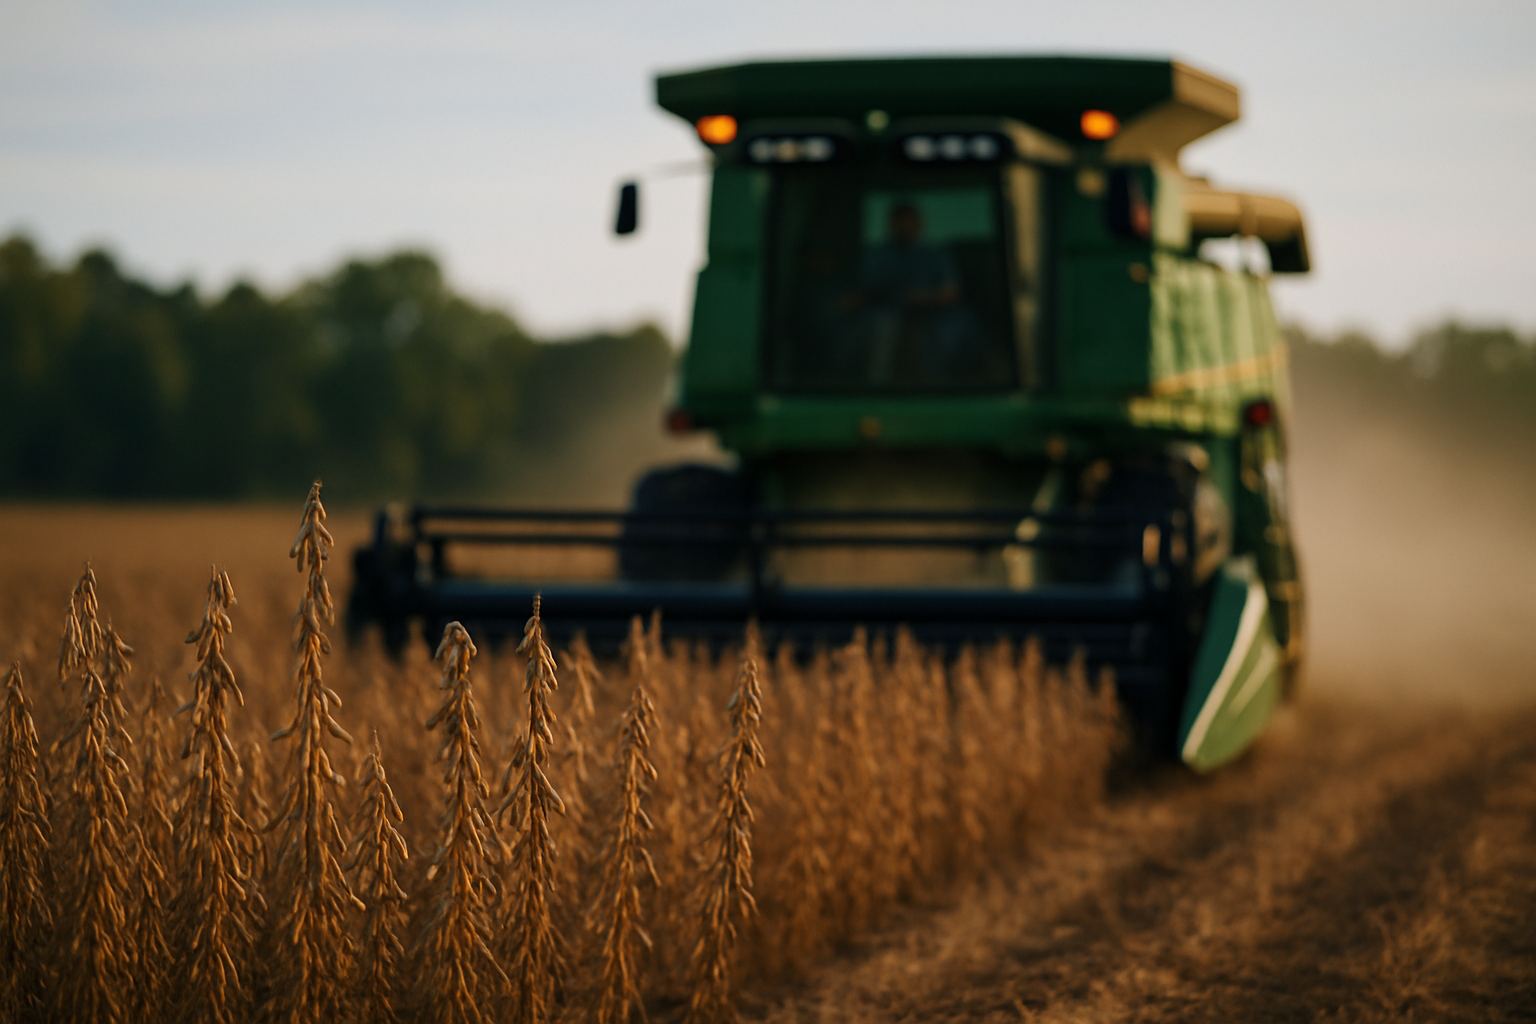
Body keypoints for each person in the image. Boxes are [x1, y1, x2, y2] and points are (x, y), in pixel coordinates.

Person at [844, 202, 972, 386]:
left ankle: (940, 389)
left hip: (934, 315)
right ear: (891, 225)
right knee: (880, 328)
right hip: (886, 312)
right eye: (900, 222)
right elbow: (863, 290)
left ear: (919, 224)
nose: (905, 227)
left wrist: (922, 297)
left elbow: (951, 292)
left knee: (951, 333)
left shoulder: (936, 254)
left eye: (909, 221)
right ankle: (876, 388)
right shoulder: (878, 256)